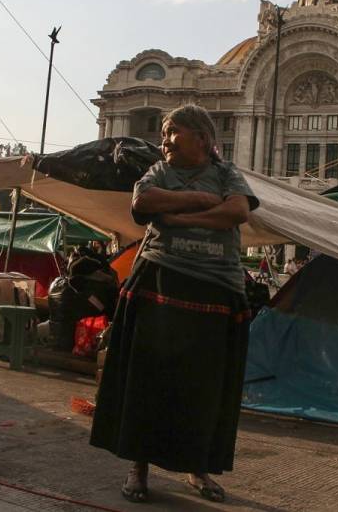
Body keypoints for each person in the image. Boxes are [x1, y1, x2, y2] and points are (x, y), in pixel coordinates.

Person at [89, 104, 259, 503]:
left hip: (215, 289)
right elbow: (144, 202)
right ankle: (138, 469)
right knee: (147, 378)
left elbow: (236, 210)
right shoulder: (159, 171)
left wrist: (178, 217)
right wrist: (202, 200)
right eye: (164, 132)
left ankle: (196, 470)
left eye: (173, 132)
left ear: (201, 138)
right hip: (160, 281)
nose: (164, 140)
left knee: (201, 386)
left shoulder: (227, 173)